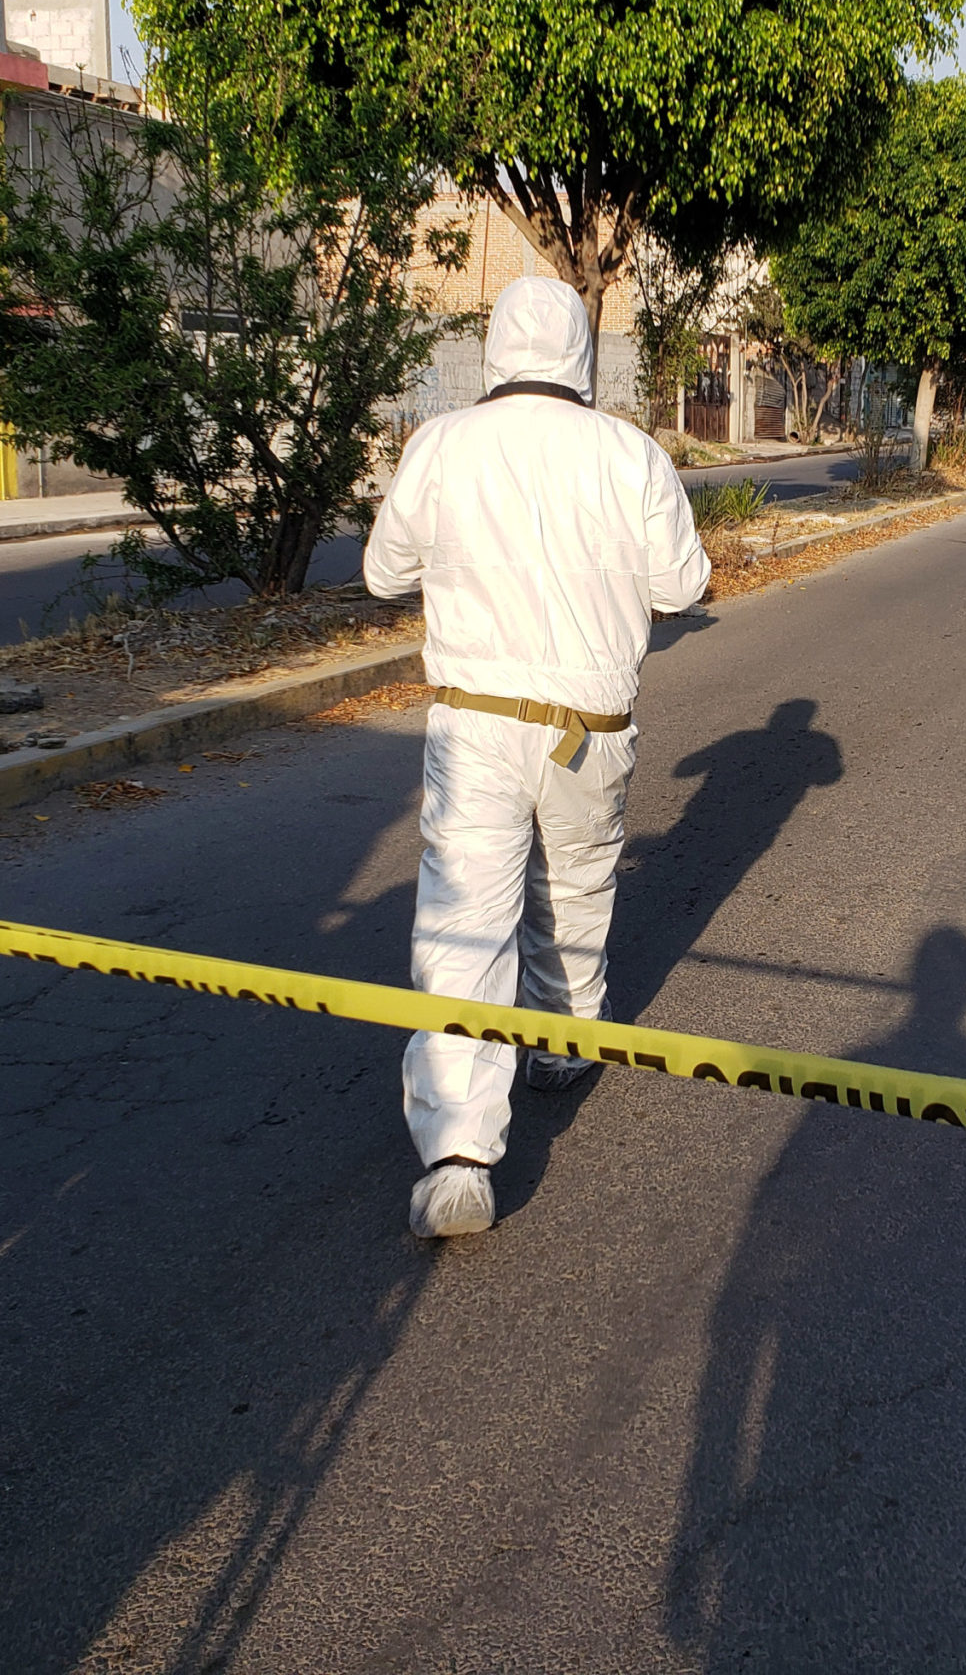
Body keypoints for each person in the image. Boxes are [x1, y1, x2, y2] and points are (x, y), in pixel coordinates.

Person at [363, 277, 710, 1238]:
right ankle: (563, 1040)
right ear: (580, 357)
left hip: (474, 720)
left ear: (495, 351)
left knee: (465, 920)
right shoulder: (630, 452)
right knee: (579, 881)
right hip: (590, 723)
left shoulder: (440, 445)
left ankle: (460, 1158)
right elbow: (685, 586)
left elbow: (383, 571)